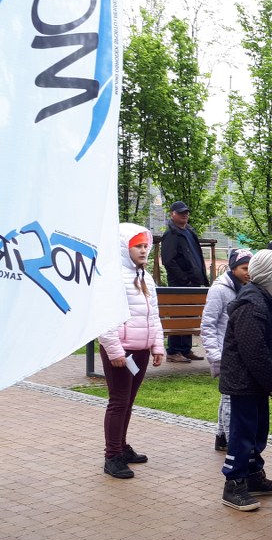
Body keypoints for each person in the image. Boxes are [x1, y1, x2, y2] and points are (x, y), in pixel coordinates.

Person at [217, 249, 272, 511]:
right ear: (271, 274)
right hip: (244, 382)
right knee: (243, 433)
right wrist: (271, 383)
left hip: (259, 382)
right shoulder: (251, 305)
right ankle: (234, 483)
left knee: (258, 431)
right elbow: (254, 351)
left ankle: (253, 475)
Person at [97, 224, 166, 479]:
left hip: (141, 349)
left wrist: (157, 345)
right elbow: (104, 317)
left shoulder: (146, 277)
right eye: (138, 246)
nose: (144, 250)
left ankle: (122, 446)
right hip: (121, 351)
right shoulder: (113, 278)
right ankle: (112, 455)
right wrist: (114, 350)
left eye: (146, 246)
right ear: (124, 248)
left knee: (128, 401)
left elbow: (153, 315)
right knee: (118, 401)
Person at [200, 247, 253, 452]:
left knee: (227, 397)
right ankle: (234, 443)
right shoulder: (220, 289)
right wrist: (215, 355)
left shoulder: (246, 287)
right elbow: (208, 324)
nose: (248, 272)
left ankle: (221, 436)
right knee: (231, 399)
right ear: (233, 268)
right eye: (244, 268)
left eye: (251, 267)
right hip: (225, 353)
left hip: (239, 352)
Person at [160, 201, 209, 362]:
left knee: (189, 316)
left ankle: (185, 349)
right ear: (172, 214)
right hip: (180, 284)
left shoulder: (189, 231)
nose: (185, 215)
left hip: (193, 283)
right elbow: (168, 260)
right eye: (181, 212)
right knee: (178, 316)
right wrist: (184, 279)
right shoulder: (171, 234)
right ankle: (173, 351)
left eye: (186, 212)